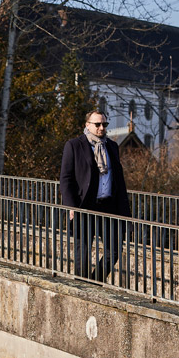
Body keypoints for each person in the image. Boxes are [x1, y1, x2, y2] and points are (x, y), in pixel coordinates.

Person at [59, 110, 131, 281]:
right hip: (84, 206)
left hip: (108, 207)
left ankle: (95, 281)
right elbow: (66, 178)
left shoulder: (111, 146)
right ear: (87, 125)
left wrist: (124, 211)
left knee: (113, 250)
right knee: (82, 251)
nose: (101, 128)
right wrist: (71, 206)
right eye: (97, 124)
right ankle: (83, 285)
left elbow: (118, 180)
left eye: (104, 124)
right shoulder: (74, 145)